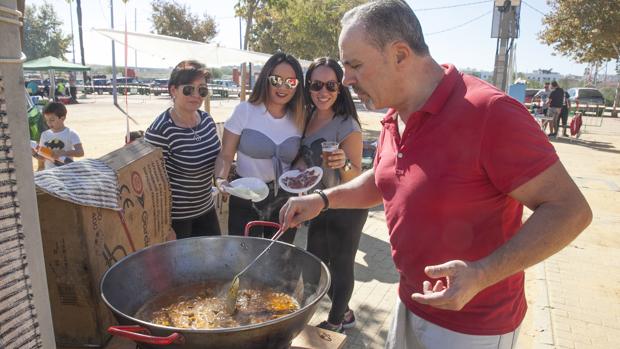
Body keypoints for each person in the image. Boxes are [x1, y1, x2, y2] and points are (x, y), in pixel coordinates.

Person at [279, 1, 592, 348]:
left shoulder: (490, 112)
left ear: (400, 54)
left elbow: (570, 210)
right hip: (409, 303)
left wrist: (482, 274)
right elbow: (385, 180)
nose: (346, 79)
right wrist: (322, 200)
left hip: (474, 326)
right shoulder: (393, 114)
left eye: (354, 65)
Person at [297, 57, 367, 333]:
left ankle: (337, 322)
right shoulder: (307, 116)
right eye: (316, 85)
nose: (322, 92)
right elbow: (304, 158)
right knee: (314, 264)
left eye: (330, 85)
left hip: (348, 205)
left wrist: (343, 164)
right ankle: (345, 311)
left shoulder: (347, 124)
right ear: (308, 87)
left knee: (341, 264)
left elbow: (357, 174)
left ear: (340, 89)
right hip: (319, 202)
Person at [214, 52, 305, 243]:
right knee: (244, 258)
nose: (283, 87)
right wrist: (221, 179)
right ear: (265, 79)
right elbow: (226, 154)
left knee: (279, 259)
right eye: (276, 80)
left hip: (284, 199)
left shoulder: (300, 117)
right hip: (246, 196)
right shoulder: (245, 111)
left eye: (291, 82)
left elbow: (300, 158)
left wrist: (301, 180)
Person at [144, 60, 221, 239]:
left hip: (206, 209)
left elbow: (217, 157)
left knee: (212, 263)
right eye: (188, 89)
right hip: (177, 219)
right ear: (173, 90)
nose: (196, 95)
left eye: (202, 90)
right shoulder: (161, 129)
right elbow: (150, 185)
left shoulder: (207, 120)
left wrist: (223, 180)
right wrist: (165, 225)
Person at [37, 102, 84, 171]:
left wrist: (65, 153)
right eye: (46, 120)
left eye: (52, 120)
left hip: (67, 172)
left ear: (62, 118)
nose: (49, 123)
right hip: (50, 173)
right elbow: (42, 157)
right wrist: (34, 154)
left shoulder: (71, 133)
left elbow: (80, 152)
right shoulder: (44, 135)